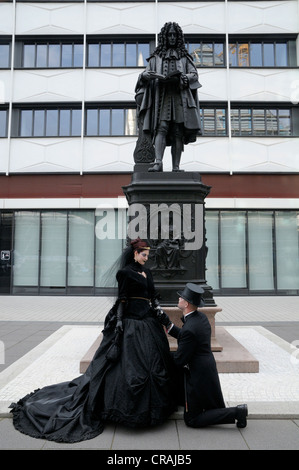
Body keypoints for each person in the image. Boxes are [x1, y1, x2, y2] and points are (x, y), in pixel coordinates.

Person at [10, 238, 177, 443]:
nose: (147, 257)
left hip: (147, 323)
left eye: (148, 254)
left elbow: (153, 297)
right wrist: (118, 322)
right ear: (135, 253)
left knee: (154, 364)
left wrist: (161, 315)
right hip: (131, 323)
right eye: (144, 254)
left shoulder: (147, 272)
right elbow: (122, 299)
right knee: (125, 366)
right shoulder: (124, 273)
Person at [157, 283, 248, 428]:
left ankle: (237, 412)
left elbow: (180, 359)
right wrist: (168, 325)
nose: (179, 298)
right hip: (206, 369)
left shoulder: (191, 328)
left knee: (192, 419)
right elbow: (187, 338)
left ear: (186, 303)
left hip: (198, 376)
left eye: (181, 297)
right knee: (207, 408)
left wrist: (161, 356)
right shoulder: (200, 318)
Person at [135, 22, 202, 172]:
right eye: (169, 35)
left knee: (177, 130)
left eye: (174, 35)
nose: (172, 37)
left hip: (179, 97)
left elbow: (194, 74)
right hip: (162, 97)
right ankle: (158, 162)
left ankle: (176, 167)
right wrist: (145, 76)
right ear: (165, 37)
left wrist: (184, 78)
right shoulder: (156, 58)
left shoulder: (184, 58)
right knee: (162, 128)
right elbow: (144, 75)